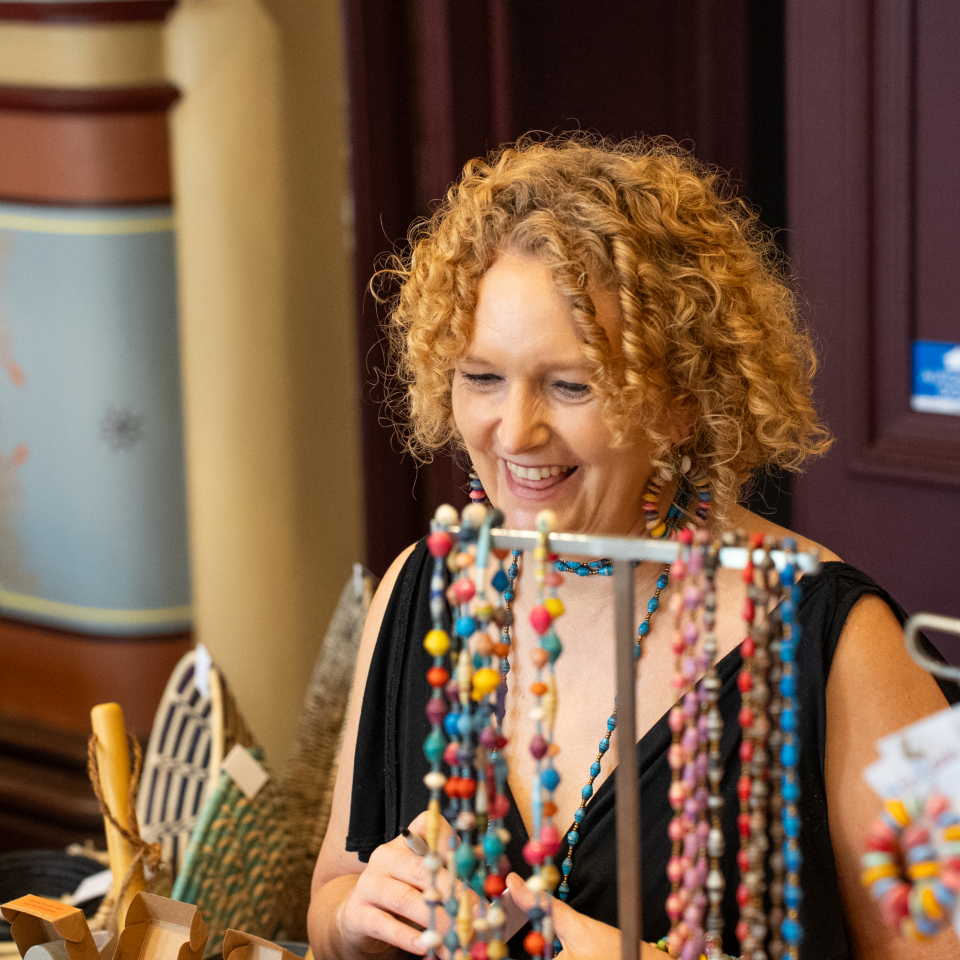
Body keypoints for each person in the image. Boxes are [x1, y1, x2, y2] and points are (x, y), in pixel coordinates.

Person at [307, 136, 958, 960]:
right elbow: (329, 895)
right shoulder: (421, 585)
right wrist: (356, 921)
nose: (515, 430)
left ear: (683, 397)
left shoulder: (856, 643)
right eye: (481, 377)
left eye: (572, 384)